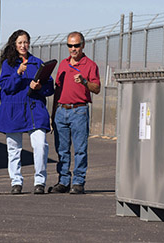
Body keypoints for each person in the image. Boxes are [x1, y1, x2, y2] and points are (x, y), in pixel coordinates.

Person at [0, 30, 54, 194]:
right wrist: (18, 73)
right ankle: (16, 181)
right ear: (14, 44)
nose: (23, 45)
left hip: (34, 110)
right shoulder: (9, 64)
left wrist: (40, 87)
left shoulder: (37, 63)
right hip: (13, 111)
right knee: (14, 149)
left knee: (40, 145)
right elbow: (6, 86)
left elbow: (50, 87)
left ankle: (40, 181)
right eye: (20, 42)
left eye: (26, 42)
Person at [49, 31, 101, 194]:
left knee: (80, 148)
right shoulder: (63, 64)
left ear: (83, 45)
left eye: (76, 45)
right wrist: (53, 114)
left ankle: (78, 181)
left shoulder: (90, 65)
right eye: (70, 46)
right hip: (61, 110)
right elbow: (58, 90)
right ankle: (63, 180)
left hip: (79, 110)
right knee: (62, 149)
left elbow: (97, 88)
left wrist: (85, 82)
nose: (73, 49)